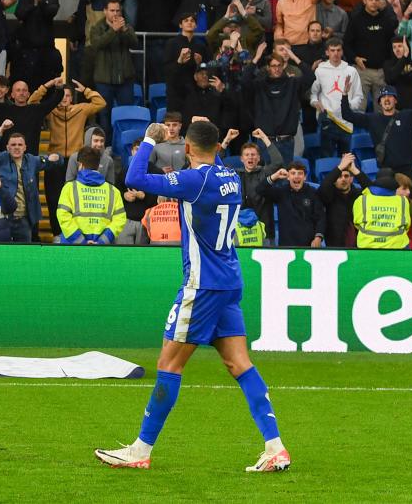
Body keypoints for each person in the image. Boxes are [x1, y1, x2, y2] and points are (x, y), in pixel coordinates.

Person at [96, 120, 290, 472]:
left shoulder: (194, 180)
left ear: (187, 148)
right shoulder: (228, 176)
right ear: (219, 148)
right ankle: (275, 446)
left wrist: (148, 141)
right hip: (229, 279)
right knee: (239, 364)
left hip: (202, 285)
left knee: (169, 364)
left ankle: (140, 450)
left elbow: (135, 180)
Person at [341, 77, 412, 186]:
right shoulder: (372, 119)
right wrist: (344, 94)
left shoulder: (406, 115)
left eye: (390, 96)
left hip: (407, 169)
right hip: (385, 172)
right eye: (383, 97)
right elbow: (347, 115)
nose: (386, 99)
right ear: (380, 102)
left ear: (395, 100)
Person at [0, 119, 61, 242]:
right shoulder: (0, 159)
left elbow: (54, 162)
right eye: (13, 145)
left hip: (24, 220)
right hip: (3, 217)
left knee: (24, 255)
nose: (16, 147)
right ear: (7, 148)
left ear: (25, 147)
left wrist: (56, 157)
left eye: (20, 145)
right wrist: (1, 129)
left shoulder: (32, 161)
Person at [90, 0, 137, 136]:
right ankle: (106, 146)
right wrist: (113, 31)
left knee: (126, 113)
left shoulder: (126, 26)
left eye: (117, 10)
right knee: (104, 115)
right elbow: (97, 45)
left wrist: (123, 31)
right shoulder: (97, 28)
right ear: (105, 11)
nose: (115, 13)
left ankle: (125, 145)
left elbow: (134, 43)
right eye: (112, 10)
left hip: (125, 79)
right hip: (104, 80)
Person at [310, 37, 363, 157]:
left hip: (346, 121)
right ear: (327, 52)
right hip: (327, 120)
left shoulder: (351, 71)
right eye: (332, 50)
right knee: (327, 158)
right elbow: (313, 94)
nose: (336, 53)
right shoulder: (320, 71)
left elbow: (358, 96)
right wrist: (315, 103)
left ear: (342, 52)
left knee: (346, 161)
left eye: (338, 50)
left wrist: (347, 107)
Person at [11, 0, 61, 92]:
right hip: (27, 50)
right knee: (28, 84)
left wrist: (41, 2)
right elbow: (19, 14)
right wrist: (33, 4)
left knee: (46, 85)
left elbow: (51, 13)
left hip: (46, 50)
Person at [257, 161, 326, 247]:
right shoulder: (281, 192)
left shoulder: (313, 192)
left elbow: (320, 217)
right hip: (286, 246)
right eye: (293, 173)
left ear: (305, 177)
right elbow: (260, 190)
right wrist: (275, 176)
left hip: (309, 245)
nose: (296, 176)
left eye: (300, 173)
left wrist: (318, 237)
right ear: (288, 177)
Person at [318, 152, 371, 247]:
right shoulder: (330, 194)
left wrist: (354, 170)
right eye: (339, 176)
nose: (343, 179)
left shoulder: (358, 194)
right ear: (334, 179)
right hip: (335, 243)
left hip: (358, 243)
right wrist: (340, 167)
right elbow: (323, 189)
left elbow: (372, 191)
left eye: (346, 176)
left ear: (351, 179)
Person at [352, 167, 411, 249]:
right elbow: (407, 225)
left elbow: (357, 223)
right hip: (398, 248)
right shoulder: (403, 201)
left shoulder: (362, 199)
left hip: (367, 247)